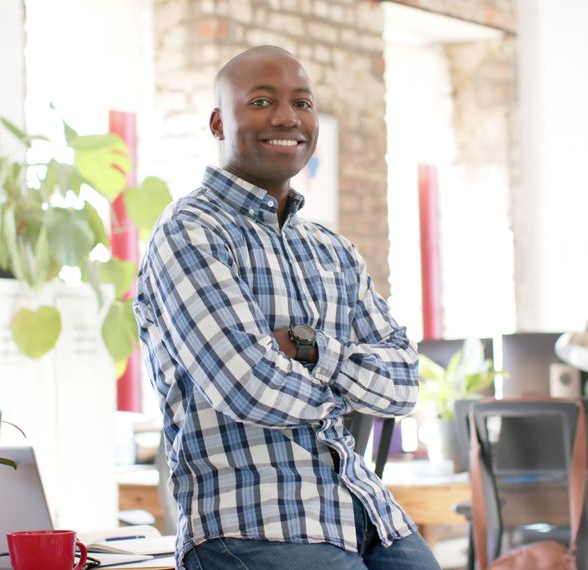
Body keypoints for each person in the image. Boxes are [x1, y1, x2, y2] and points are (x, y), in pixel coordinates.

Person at [134, 45, 438, 570]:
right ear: (217, 122)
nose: (287, 117)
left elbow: (407, 382)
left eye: (302, 102)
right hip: (253, 525)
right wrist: (350, 385)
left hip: (366, 512)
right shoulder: (190, 233)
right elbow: (251, 388)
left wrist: (307, 347)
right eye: (260, 101)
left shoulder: (331, 250)